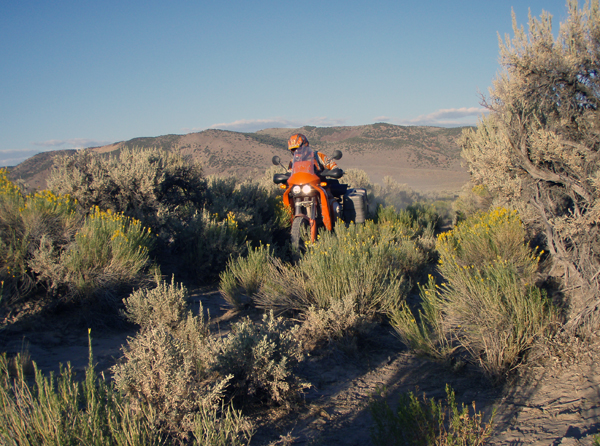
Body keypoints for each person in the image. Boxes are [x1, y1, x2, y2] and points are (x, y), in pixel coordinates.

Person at [287, 133, 347, 197]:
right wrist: (284, 176)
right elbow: (290, 173)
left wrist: (335, 171)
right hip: (299, 190)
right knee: (288, 199)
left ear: (305, 145)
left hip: (320, 187)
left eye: (298, 148)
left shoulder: (317, 156)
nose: (296, 151)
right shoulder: (292, 162)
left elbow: (331, 164)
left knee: (332, 203)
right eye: (293, 150)